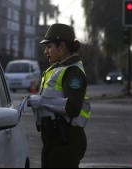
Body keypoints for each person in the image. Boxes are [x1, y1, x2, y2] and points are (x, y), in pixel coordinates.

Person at [27, 23, 91, 168]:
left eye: (49, 46)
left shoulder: (73, 72)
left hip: (67, 139)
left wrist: (42, 101)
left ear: (61, 47)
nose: (45, 51)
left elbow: (73, 107)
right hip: (54, 138)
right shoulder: (56, 69)